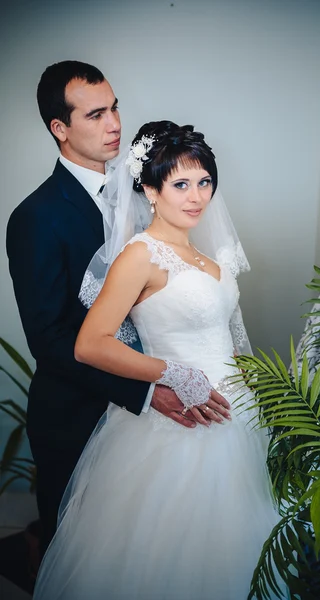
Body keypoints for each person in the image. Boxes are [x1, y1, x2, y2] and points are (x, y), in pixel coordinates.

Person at [32, 121, 285, 600]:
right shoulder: (140, 255)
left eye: (204, 181)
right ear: (150, 189)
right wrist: (172, 374)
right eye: (180, 184)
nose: (196, 196)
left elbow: (229, 343)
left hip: (235, 420)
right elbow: (91, 343)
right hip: (177, 423)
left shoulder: (212, 261)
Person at [6, 62, 228, 555]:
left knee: (173, 552)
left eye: (116, 107)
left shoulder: (149, 188)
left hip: (166, 422)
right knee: (85, 559)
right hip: (79, 415)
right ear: (59, 129)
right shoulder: (35, 218)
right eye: (96, 114)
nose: (114, 125)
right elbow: (50, 338)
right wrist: (149, 392)